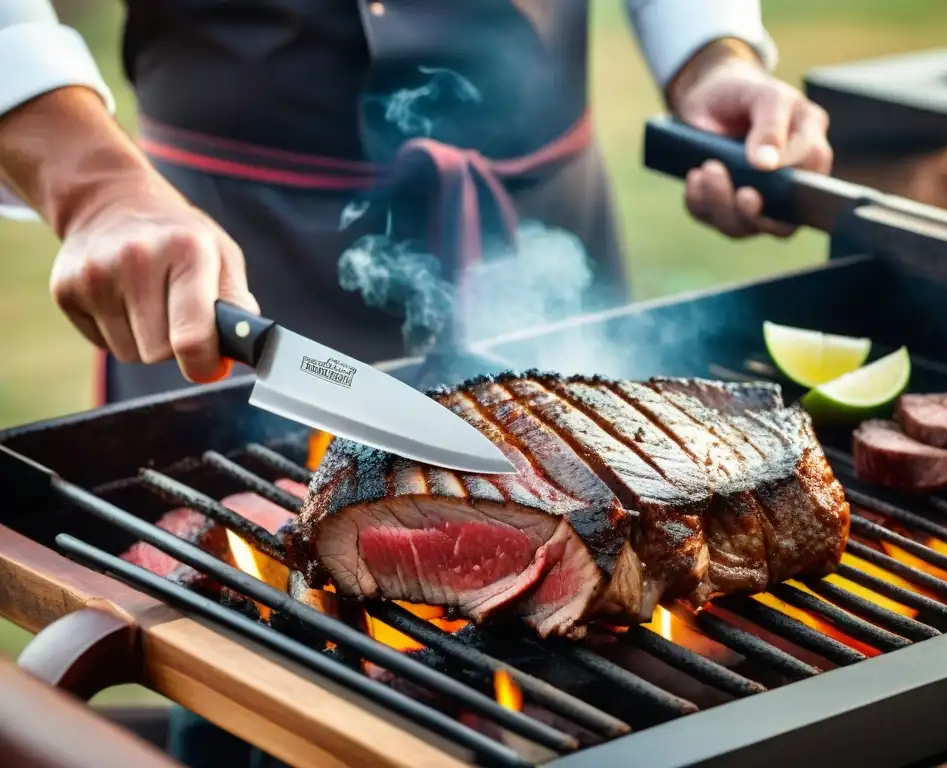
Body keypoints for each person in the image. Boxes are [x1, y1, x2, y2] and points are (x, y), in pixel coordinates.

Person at [0, 2, 832, 766]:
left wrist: (709, 54)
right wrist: (91, 182)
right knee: (251, 696)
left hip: (547, 235)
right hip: (220, 256)